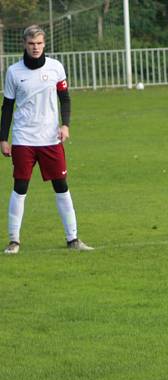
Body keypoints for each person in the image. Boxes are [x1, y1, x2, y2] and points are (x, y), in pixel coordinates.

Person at [1, 25, 92, 254]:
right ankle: (14, 240)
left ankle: (73, 239)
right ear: (24, 44)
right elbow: (7, 107)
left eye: (39, 43)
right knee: (20, 186)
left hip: (51, 138)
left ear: (44, 44)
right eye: (31, 44)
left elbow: (65, 99)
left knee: (61, 186)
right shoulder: (13, 72)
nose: (35, 48)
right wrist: (3, 138)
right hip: (23, 138)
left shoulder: (56, 68)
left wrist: (65, 125)